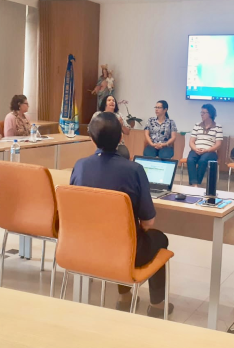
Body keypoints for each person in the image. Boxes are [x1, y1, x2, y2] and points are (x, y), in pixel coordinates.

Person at [70, 112, 173, 318]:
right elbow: (148, 222)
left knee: (120, 237)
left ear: (92, 139)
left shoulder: (80, 166)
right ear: (120, 139)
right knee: (158, 238)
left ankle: (125, 298)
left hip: (83, 247)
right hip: (123, 252)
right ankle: (157, 305)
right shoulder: (134, 170)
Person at [186, 104, 223, 186]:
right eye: (201, 112)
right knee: (190, 160)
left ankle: (196, 183)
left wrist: (207, 150)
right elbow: (191, 141)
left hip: (210, 151)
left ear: (210, 114)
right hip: (196, 149)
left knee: (203, 160)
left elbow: (218, 144)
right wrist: (195, 149)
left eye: (204, 113)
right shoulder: (197, 125)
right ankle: (194, 184)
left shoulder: (218, 127)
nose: (201, 114)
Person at [92, 95, 130, 159]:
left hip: (118, 144)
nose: (112, 102)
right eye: (109, 100)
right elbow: (91, 130)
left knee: (125, 154)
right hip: (101, 144)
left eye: (113, 101)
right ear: (104, 103)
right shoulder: (98, 115)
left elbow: (127, 132)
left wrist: (121, 124)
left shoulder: (119, 115)